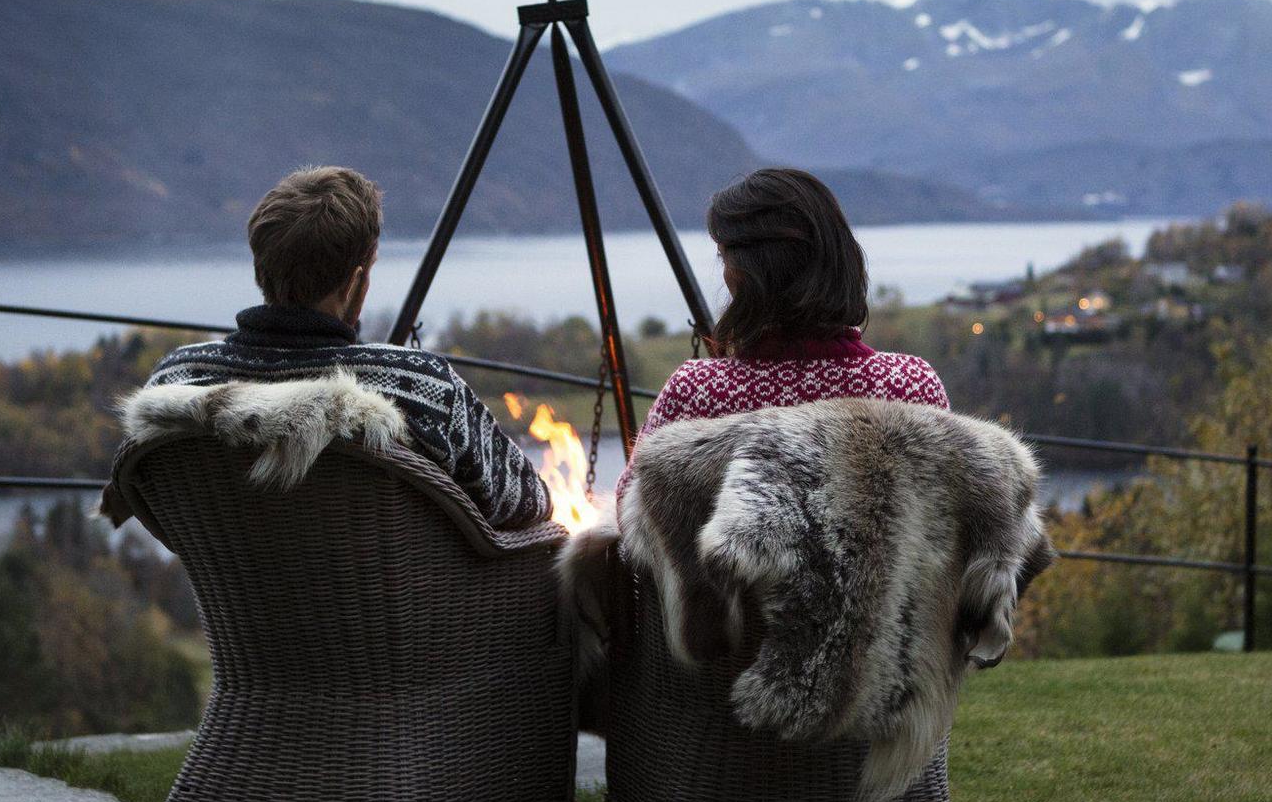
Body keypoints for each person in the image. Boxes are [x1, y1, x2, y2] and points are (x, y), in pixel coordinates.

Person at [144, 165, 551, 529]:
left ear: (261, 268)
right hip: (404, 610)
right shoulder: (424, 392)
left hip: (238, 610)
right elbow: (529, 504)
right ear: (355, 283)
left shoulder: (177, 382)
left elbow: (153, 503)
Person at [617, 167, 948, 500]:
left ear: (745, 274)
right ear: (841, 257)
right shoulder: (910, 385)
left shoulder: (697, 392)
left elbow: (630, 510)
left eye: (724, 258)